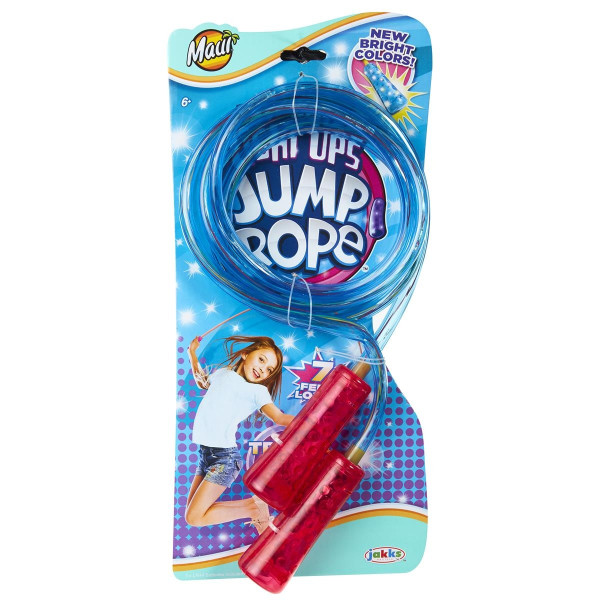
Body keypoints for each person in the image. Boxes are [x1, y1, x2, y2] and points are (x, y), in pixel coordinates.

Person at [185, 335, 294, 533]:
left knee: (194, 517)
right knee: (191, 514)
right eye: (261, 360)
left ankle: (254, 508)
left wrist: (315, 419)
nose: (263, 369)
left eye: (269, 369)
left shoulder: (257, 391)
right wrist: (192, 353)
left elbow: (279, 417)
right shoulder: (223, 373)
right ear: (245, 354)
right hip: (205, 455)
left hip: (224, 459)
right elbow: (202, 382)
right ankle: (254, 507)